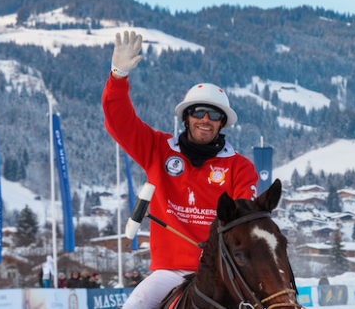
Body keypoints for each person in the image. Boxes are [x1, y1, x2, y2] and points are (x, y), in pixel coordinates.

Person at [104, 31, 259, 309]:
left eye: (214, 115)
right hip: (169, 274)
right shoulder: (158, 148)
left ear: (222, 123)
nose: (205, 120)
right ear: (186, 117)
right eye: (199, 112)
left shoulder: (240, 167)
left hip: (223, 275)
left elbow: (246, 221)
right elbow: (119, 122)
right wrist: (117, 77)